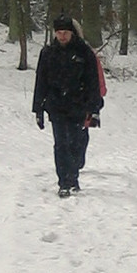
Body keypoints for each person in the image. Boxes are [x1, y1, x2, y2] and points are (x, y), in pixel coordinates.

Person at [32, 14, 102, 197]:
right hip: (56, 105)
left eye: (65, 33)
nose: (62, 36)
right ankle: (64, 182)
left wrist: (94, 109)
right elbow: (41, 81)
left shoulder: (84, 53)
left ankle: (74, 174)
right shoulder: (48, 53)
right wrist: (38, 108)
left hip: (79, 105)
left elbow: (93, 82)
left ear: (72, 33)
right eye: (59, 33)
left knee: (76, 143)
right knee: (61, 144)